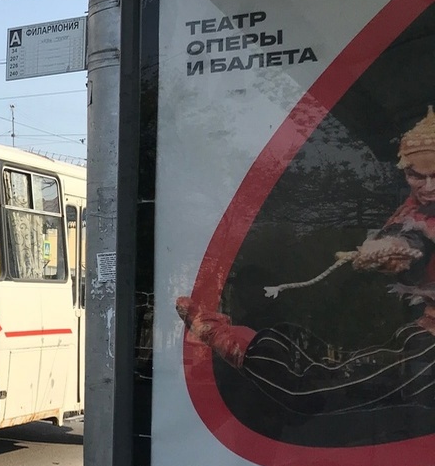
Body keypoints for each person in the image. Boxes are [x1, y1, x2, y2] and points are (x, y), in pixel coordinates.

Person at [178, 107, 435, 424]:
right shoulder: (413, 213)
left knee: (311, 390)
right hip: (418, 334)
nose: (428, 187)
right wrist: (389, 249)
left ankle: (237, 343)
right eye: (416, 176)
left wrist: (395, 249)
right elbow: (409, 240)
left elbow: (416, 244)